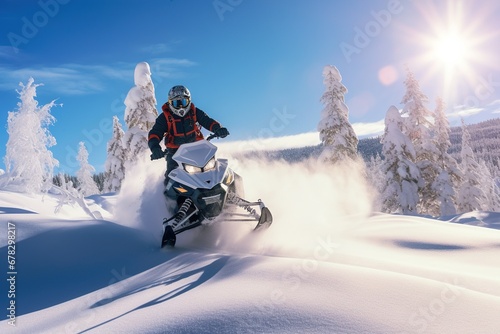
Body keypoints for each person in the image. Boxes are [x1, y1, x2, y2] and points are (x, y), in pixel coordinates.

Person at [148, 85, 229, 186]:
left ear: (189, 101)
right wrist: (155, 148)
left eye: (183, 102)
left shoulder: (194, 111)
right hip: (175, 153)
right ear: (170, 103)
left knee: (219, 170)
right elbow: (155, 133)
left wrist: (218, 129)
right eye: (176, 103)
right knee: (170, 178)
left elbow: (207, 121)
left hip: (198, 149)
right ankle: (169, 201)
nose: (181, 106)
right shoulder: (165, 117)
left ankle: (232, 193)